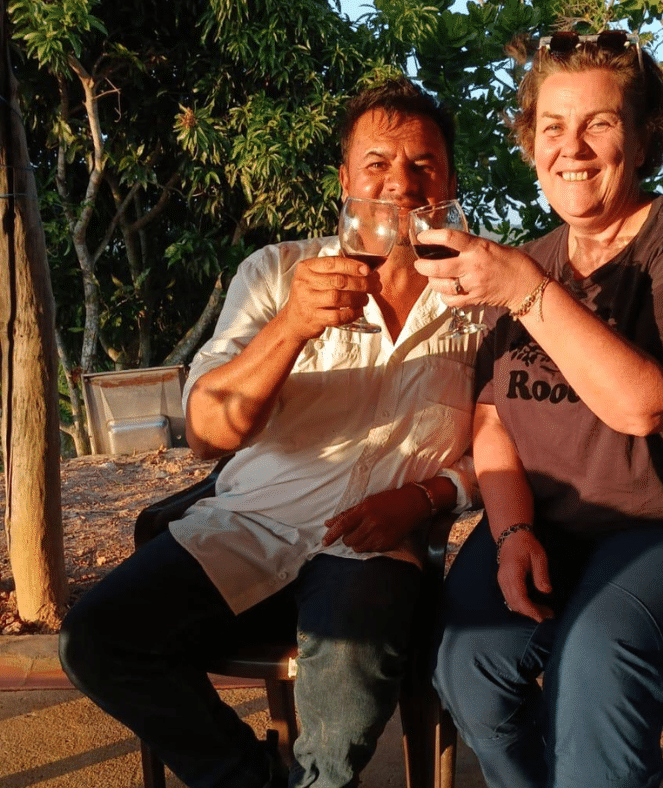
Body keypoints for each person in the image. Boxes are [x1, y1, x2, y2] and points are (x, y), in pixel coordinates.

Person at [58, 77, 480, 788]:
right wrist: (291, 325)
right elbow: (206, 434)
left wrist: (429, 497)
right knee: (98, 640)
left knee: (345, 698)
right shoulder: (277, 272)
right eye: (377, 164)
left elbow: (511, 438)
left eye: (422, 166)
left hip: (376, 541)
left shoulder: (484, 293)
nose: (398, 185)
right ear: (345, 180)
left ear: (449, 182)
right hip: (252, 521)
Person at [416, 32, 663, 788]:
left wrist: (523, 292)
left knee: (598, 649)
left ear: (645, 139)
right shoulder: (531, 260)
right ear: (529, 142)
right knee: (468, 661)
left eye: (601, 124)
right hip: (557, 527)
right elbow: (491, 423)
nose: (572, 148)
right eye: (552, 126)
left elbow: (648, 406)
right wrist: (511, 530)